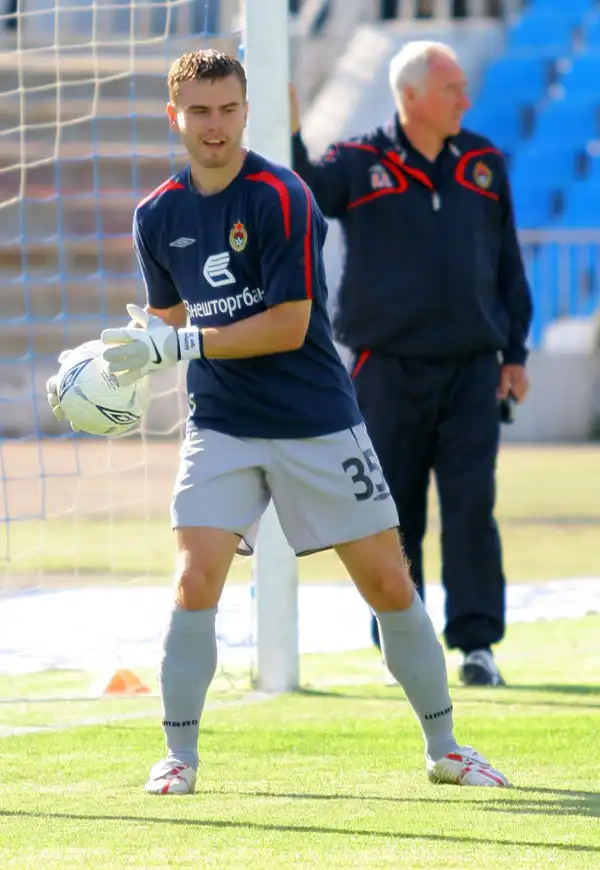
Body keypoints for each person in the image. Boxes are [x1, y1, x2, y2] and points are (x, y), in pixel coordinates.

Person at [47, 49, 509, 794]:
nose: (216, 125)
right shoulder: (156, 215)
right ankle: (178, 757)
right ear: (175, 117)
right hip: (221, 420)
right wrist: (117, 363)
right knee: (195, 578)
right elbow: (166, 320)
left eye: (228, 110)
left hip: (314, 415)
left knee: (389, 582)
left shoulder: (282, 195)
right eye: (200, 111)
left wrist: (181, 344)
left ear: (246, 112)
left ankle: (445, 747)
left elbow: (289, 324)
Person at [290, 41, 533, 687]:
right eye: (453, 89)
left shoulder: (483, 162)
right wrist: (286, 131)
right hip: (385, 369)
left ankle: (477, 646)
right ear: (411, 96)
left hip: (473, 370)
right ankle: (401, 647)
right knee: (392, 516)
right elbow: (302, 193)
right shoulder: (357, 160)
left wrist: (515, 352)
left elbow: (507, 262)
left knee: (472, 505)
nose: (465, 101)